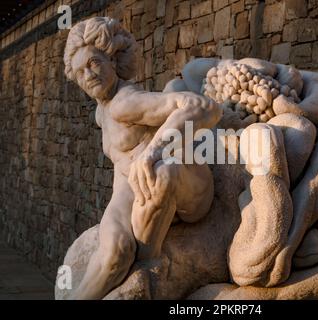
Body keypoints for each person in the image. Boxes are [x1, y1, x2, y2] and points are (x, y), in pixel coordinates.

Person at [63, 17, 222, 299]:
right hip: (134, 189)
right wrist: (117, 212)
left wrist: (153, 151)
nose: (88, 75)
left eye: (94, 63)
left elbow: (202, 106)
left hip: (187, 188)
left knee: (162, 174)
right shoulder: (102, 112)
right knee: (113, 253)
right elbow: (122, 164)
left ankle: (148, 268)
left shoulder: (126, 102)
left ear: (113, 59)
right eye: (80, 72)